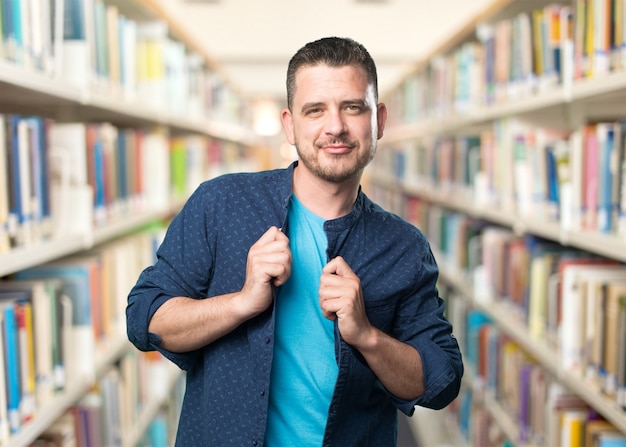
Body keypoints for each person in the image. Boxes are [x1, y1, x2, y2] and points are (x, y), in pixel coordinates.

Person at [126, 36, 463, 446]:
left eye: (352, 107)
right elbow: (145, 317)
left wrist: (367, 335)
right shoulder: (221, 205)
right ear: (289, 124)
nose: (335, 126)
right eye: (315, 109)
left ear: (379, 120)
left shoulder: (404, 246)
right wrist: (241, 302)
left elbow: (440, 380)